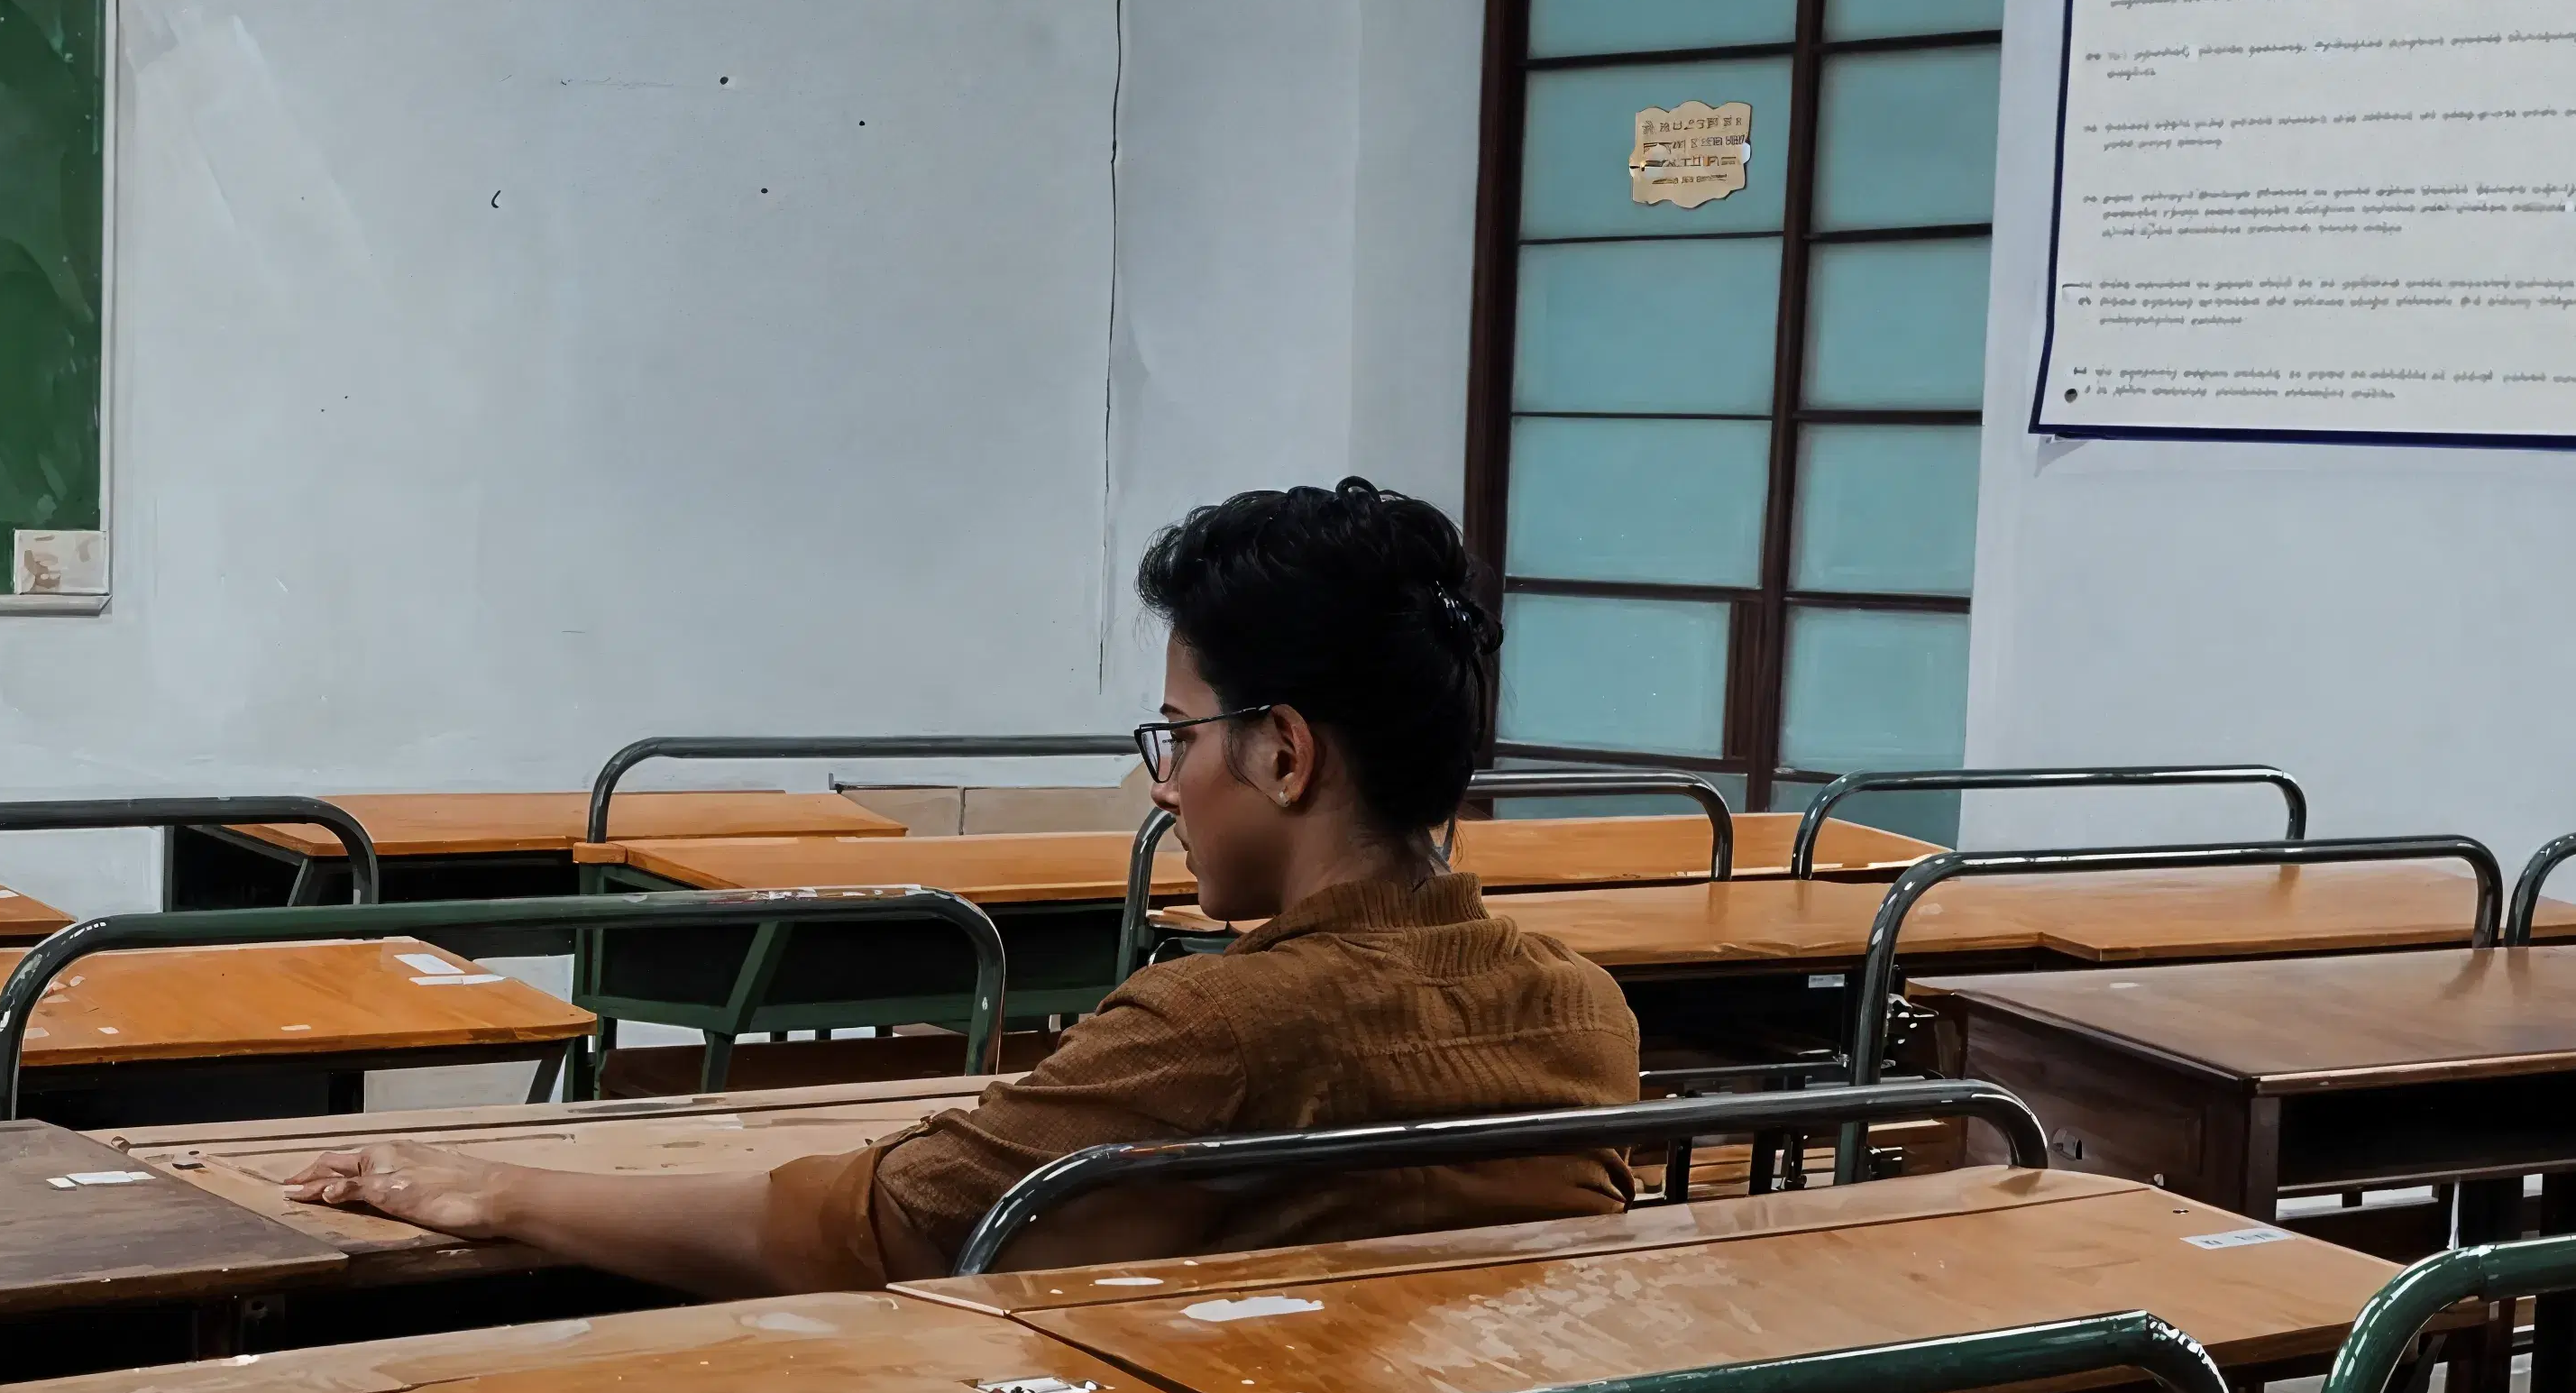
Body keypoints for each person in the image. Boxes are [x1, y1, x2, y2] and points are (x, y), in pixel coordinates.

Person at [290, 480, 1644, 1291]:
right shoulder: (1583, 1012)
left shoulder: (1224, 1030)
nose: (1164, 784)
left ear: (1283, 752)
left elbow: (876, 1231)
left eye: (1177, 734)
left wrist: (499, 1191)